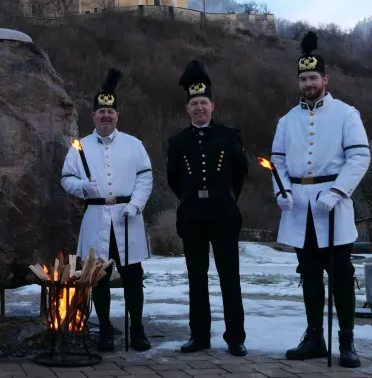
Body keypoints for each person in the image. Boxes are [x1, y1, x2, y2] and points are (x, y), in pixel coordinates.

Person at [271, 32, 370, 368]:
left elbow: (359, 158)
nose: (308, 82)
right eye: (303, 78)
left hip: (334, 206)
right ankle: (314, 337)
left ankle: (347, 341)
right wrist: (282, 191)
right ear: (298, 82)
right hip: (300, 207)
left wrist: (338, 192)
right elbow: (277, 162)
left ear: (325, 79)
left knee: (341, 275)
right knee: (309, 274)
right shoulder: (286, 120)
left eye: (314, 77)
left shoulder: (346, 114)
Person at [61, 68, 153, 352]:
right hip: (96, 217)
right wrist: (82, 188)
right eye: (100, 111)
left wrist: (135, 205)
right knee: (97, 277)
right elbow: (66, 179)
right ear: (93, 116)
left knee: (132, 276)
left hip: (127, 218)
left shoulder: (134, 144)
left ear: (117, 116)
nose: (105, 116)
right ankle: (104, 331)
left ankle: (136, 329)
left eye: (110, 112)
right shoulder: (79, 147)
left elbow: (146, 177)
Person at [166, 61, 248, 357]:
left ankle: (235, 337)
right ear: (187, 109)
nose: (199, 108)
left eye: (203, 103)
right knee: (196, 279)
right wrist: (193, 198)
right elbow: (174, 179)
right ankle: (198, 336)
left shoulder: (230, 136)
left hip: (224, 213)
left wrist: (224, 198)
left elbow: (240, 174)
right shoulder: (177, 142)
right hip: (192, 216)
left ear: (212, 106)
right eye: (194, 104)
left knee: (230, 277)